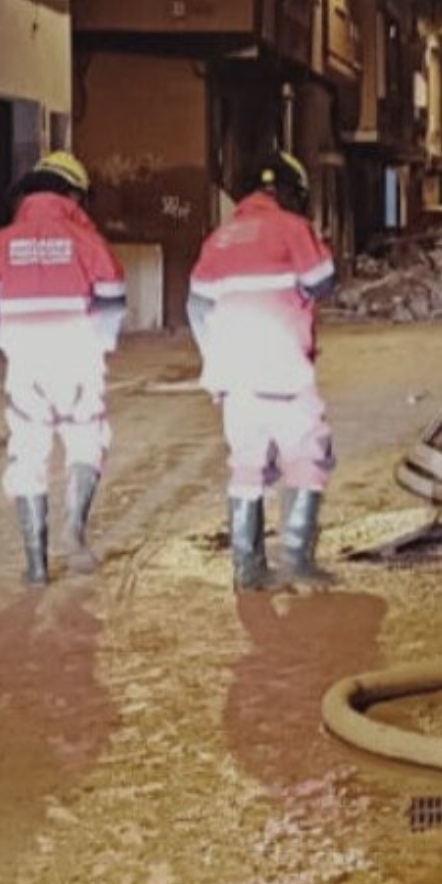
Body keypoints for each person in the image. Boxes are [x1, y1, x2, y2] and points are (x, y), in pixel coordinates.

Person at [0, 152, 126, 584]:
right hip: (77, 357)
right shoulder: (87, 241)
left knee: (28, 452)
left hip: (26, 361)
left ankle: (35, 566)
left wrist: (9, 342)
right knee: (86, 440)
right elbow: (113, 299)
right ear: (72, 195)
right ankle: (74, 537)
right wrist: (99, 344)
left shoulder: (0, 242)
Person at [190, 152, 339, 591]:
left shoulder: (219, 238)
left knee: (247, 465)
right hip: (284, 369)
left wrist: (214, 363)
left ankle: (247, 568)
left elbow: (197, 306)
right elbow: (323, 281)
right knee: (309, 454)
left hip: (235, 375)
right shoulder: (292, 228)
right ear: (290, 192)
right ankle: (297, 559)